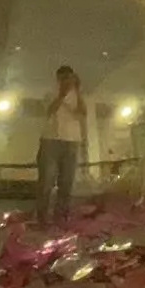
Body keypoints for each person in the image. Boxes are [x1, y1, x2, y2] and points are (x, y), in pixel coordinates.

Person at [37, 66, 86, 224]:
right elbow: (50, 110)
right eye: (63, 78)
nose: (66, 81)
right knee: (47, 180)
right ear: (58, 79)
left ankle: (61, 217)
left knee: (67, 182)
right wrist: (62, 93)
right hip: (50, 140)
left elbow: (83, 112)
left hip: (72, 142)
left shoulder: (77, 96)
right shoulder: (49, 94)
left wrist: (77, 90)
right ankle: (42, 216)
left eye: (69, 78)